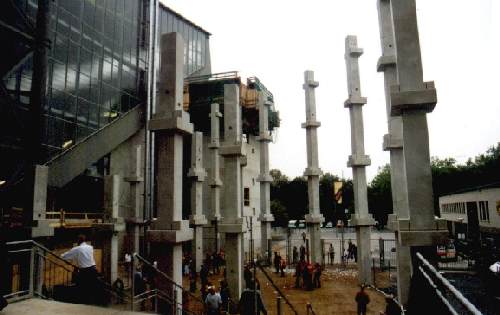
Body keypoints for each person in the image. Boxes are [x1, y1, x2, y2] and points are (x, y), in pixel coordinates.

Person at [61, 234, 98, 304]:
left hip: (85, 272)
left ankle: (83, 302)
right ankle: (92, 303)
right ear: (84, 240)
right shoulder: (90, 247)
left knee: (82, 289)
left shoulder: (77, 249)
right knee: (92, 288)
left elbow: (64, 256)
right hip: (93, 270)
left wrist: (65, 258)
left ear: (78, 241)